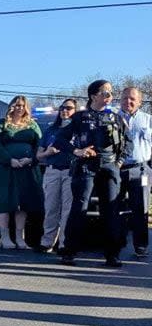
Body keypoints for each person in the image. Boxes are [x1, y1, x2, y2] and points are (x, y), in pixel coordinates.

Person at [56, 79, 130, 267]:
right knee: (79, 207)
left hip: (110, 167)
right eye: (105, 92)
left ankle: (112, 254)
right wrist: (77, 151)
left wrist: (119, 162)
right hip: (86, 166)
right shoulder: (80, 117)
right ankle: (69, 252)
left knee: (111, 210)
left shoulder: (117, 118)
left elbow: (128, 143)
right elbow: (60, 140)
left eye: (111, 93)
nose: (109, 96)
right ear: (93, 96)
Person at [0, 95, 43, 249]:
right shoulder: (2, 124)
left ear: (26, 108)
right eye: (17, 105)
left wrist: (30, 159)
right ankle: (4, 238)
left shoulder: (32, 125)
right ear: (11, 106)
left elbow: (40, 145)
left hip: (26, 169)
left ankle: (20, 238)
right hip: (4, 168)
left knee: (22, 203)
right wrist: (9, 160)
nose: (19, 108)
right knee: (4, 201)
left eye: (22, 105)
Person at [36, 99, 78, 252]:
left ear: (75, 111)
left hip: (71, 171)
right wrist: (48, 152)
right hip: (52, 170)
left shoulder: (78, 130)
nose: (64, 111)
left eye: (68, 108)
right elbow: (38, 155)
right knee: (51, 208)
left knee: (68, 210)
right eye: (62, 108)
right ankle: (47, 242)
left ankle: (64, 244)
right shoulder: (51, 130)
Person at [118, 87, 151, 257]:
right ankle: (116, 243)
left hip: (141, 170)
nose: (128, 102)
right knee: (115, 207)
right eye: (124, 98)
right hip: (118, 169)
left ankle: (141, 245)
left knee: (140, 208)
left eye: (132, 99)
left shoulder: (148, 120)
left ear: (139, 102)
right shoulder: (113, 119)